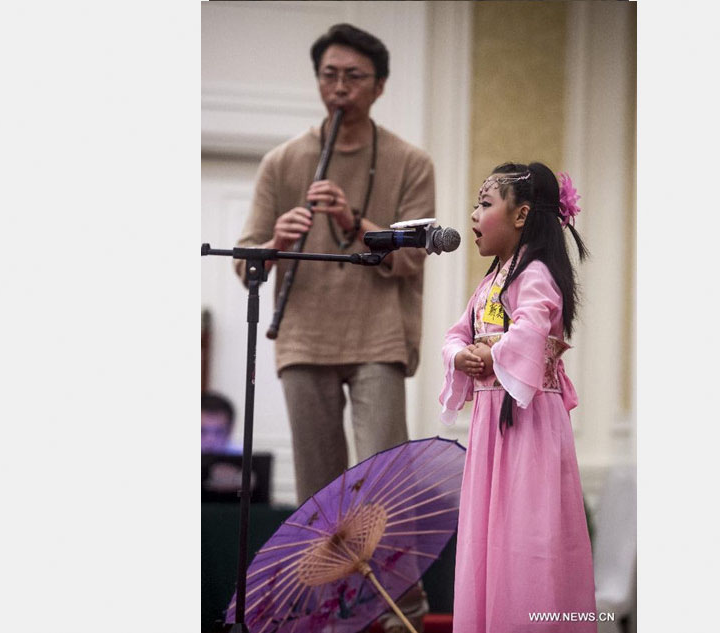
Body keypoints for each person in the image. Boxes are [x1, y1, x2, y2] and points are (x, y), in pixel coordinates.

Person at [234, 23, 433, 632]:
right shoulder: (283, 160)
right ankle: (325, 615)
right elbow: (246, 263)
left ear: (379, 87)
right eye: (329, 75)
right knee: (320, 498)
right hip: (304, 341)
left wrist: (353, 222)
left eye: (353, 77)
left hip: (377, 335)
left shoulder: (410, 161)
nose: (339, 88)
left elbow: (415, 255)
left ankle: (406, 614)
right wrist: (274, 243)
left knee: (383, 487)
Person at [439, 162, 596, 632]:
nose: (473, 214)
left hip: (529, 427)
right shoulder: (490, 282)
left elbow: (531, 326)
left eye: (485, 204)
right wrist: (461, 354)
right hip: (493, 432)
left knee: (530, 537)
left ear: (522, 214)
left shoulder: (537, 274)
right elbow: (455, 334)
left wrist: (494, 353)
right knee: (489, 539)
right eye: (476, 204)